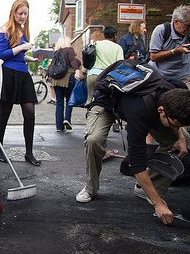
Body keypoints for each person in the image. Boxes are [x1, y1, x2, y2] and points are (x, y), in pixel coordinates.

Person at [75, 85, 190, 225]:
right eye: (175, 124)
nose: (176, 127)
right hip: (107, 104)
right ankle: (91, 188)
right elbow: (136, 162)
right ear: (161, 110)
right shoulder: (140, 111)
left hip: (138, 107)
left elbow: (177, 122)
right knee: (94, 140)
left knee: (182, 140)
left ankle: (149, 188)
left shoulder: (175, 91)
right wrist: (158, 204)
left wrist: (181, 138)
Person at [0, 0, 41, 166]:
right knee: (4, 114)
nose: (23, 16)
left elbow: (18, 55)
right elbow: (2, 54)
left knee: (30, 112)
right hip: (9, 75)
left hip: (23, 75)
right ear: (13, 13)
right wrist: (22, 47)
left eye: (26, 14)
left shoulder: (23, 30)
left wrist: (31, 58)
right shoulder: (5, 29)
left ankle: (29, 152)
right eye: (20, 13)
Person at [149, 5, 190, 88]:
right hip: (161, 77)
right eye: (187, 25)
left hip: (184, 77)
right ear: (176, 21)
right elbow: (153, 57)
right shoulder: (162, 30)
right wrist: (175, 51)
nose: (189, 29)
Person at [51, 36, 83, 132]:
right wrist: (77, 70)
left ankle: (59, 127)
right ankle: (67, 119)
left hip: (56, 80)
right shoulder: (69, 50)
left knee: (59, 103)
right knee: (69, 100)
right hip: (68, 78)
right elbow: (73, 61)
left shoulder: (56, 53)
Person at [85, 26, 124, 103]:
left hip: (92, 75)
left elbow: (87, 58)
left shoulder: (95, 44)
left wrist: (84, 71)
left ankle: (89, 112)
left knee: (90, 99)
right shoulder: (118, 48)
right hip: (107, 78)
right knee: (105, 101)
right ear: (115, 35)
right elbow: (120, 64)